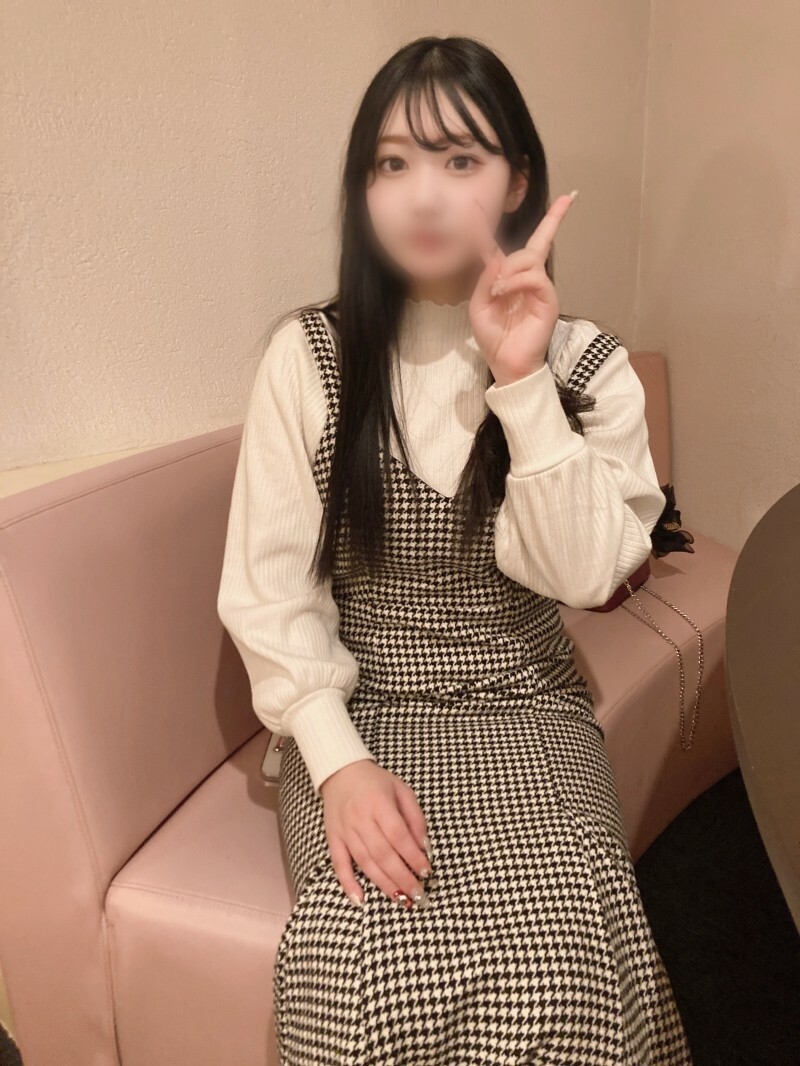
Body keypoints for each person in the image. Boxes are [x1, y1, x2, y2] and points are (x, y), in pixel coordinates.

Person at [217, 34, 694, 1065]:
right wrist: (339, 766)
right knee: (362, 961)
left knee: (571, 956)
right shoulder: (308, 357)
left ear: (518, 182)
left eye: (459, 159)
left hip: (527, 700)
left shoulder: (588, 364)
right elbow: (268, 594)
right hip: (361, 710)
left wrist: (522, 380)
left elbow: (587, 577)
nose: (422, 194)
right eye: (392, 163)